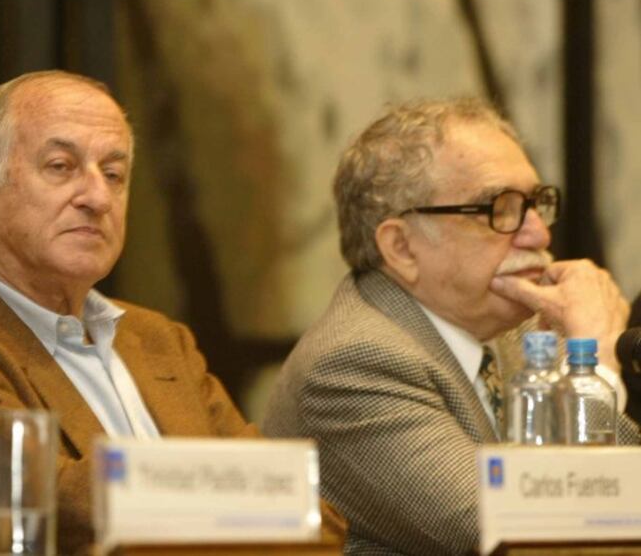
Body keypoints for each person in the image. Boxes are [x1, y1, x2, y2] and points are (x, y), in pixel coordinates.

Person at [0, 71, 321, 555]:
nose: (99, 198)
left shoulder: (162, 339)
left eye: (114, 174)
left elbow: (302, 504)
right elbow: (41, 500)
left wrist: (249, 497)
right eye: (61, 167)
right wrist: (232, 498)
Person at [262, 98, 640, 556]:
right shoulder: (353, 363)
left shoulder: (519, 328)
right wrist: (591, 363)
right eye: (499, 208)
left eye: (536, 203)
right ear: (402, 248)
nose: (539, 235)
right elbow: (520, 530)